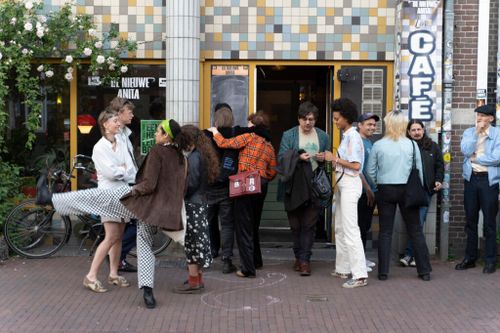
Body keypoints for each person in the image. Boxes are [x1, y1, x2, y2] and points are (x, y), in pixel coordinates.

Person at [121, 119, 187, 308]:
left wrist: (134, 191)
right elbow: (183, 186)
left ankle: (148, 292)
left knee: (144, 246)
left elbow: (149, 184)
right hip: (169, 211)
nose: (155, 134)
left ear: (166, 135)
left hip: (150, 209)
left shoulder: (157, 151)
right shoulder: (180, 156)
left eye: (158, 131)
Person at [207, 111, 277, 278]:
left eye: (249, 123)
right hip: (261, 185)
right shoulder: (269, 145)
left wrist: (215, 132)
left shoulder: (249, 136)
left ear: (254, 125)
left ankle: (247, 268)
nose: (247, 125)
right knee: (253, 226)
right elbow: (273, 171)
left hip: (245, 184)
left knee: (243, 227)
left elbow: (225, 143)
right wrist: (262, 177)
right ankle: (256, 260)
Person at [366, 111, 432, 282]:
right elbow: (419, 171)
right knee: (415, 230)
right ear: (404, 125)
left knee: (385, 231)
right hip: (408, 190)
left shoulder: (379, 145)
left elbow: (369, 171)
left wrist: (376, 184)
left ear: (388, 124)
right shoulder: (411, 145)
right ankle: (424, 271)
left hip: (385, 189)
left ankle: (383, 272)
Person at [83, 110, 136, 293]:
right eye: (114, 121)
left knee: (119, 235)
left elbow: (131, 169)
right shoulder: (99, 148)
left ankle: (113, 273)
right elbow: (111, 173)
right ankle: (90, 276)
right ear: (105, 124)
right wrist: (121, 170)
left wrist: (121, 169)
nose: (118, 124)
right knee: (111, 236)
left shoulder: (121, 142)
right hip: (108, 196)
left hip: (122, 193)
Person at [277, 101, 330, 276]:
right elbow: (281, 157)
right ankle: (298, 257)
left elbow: (328, 158)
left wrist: (323, 157)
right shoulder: (289, 135)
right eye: (305, 119)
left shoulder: (323, 136)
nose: (308, 123)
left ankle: (305, 260)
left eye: (312, 120)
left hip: (314, 184)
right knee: (295, 226)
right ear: (299, 119)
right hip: (293, 185)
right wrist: (299, 157)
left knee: (309, 225)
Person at [324, 98, 368, 288]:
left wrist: (334, 159)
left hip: (349, 184)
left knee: (350, 229)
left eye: (336, 118)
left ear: (346, 118)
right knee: (341, 227)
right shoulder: (348, 135)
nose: (335, 122)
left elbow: (356, 166)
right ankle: (343, 268)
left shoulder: (353, 136)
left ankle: (359, 275)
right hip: (344, 184)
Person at [173, 125, 219, 293]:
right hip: (202, 202)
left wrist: (180, 193)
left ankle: (194, 282)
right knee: (198, 242)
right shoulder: (204, 154)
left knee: (191, 243)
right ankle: (198, 279)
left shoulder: (193, 157)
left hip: (192, 204)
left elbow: (191, 183)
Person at [455, 104, 500, 274]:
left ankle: (490, 260)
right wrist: (476, 133)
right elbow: (465, 151)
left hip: (489, 181)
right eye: (478, 115)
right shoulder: (469, 133)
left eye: (482, 116)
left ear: (491, 119)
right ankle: (470, 258)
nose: (479, 118)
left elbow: (497, 158)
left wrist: (477, 158)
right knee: (470, 220)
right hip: (471, 180)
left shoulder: (497, 134)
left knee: (489, 222)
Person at [400, 120, 444, 267]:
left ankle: (409, 255)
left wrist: (438, 180)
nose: (416, 132)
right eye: (413, 130)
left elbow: (440, 165)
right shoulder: (405, 147)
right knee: (413, 223)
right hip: (408, 191)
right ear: (408, 132)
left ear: (423, 130)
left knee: (418, 223)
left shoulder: (433, 146)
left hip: (426, 191)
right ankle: (413, 256)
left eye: (419, 129)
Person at [109, 97, 139, 273]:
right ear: (120, 113)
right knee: (135, 223)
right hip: (123, 186)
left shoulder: (124, 133)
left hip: (129, 183)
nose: (133, 115)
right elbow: (119, 165)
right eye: (129, 111)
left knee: (129, 224)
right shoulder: (115, 137)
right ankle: (116, 257)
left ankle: (117, 258)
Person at [356, 113, 380, 271]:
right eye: (368, 124)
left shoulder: (369, 142)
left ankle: (362, 257)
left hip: (371, 190)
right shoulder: (357, 142)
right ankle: (358, 261)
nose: (372, 127)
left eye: (373, 125)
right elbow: (357, 169)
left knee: (365, 226)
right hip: (362, 191)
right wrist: (368, 189)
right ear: (359, 125)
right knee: (359, 226)